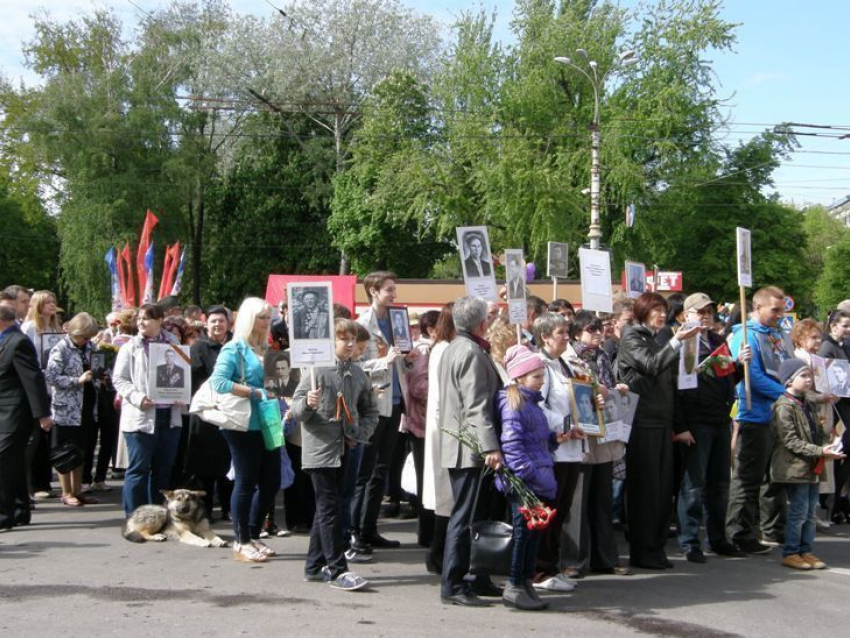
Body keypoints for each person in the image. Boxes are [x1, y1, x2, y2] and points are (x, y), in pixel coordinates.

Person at [292, 318, 379, 590]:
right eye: (344, 339)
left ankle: (314, 565)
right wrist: (308, 402)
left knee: (332, 508)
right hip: (321, 450)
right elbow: (295, 411)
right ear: (332, 342)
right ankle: (338, 568)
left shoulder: (358, 373)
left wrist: (359, 433)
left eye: (353, 339)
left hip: (347, 449)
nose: (350, 344)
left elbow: (370, 410)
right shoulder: (315, 371)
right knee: (330, 508)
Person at [617, 292, 701, 569]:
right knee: (646, 490)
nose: (661, 314)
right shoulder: (632, 336)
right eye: (655, 310)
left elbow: (669, 386)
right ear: (642, 311)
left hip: (661, 422)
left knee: (663, 490)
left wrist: (678, 425)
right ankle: (643, 550)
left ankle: (655, 547)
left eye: (663, 310)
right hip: (643, 423)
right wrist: (678, 340)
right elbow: (651, 366)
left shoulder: (655, 338)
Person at [674, 293, 750, 563]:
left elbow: (726, 376)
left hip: (720, 419)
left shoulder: (718, 341)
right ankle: (689, 540)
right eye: (700, 311)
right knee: (694, 485)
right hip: (697, 421)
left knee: (720, 483)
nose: (706, 316)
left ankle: (717, 538)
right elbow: (676, 389)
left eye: (709, 311)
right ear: (686, 315)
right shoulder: (684, 343)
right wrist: (681, 426)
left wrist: (739, 365)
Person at [438, 297, 503, 607]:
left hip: (462, 442)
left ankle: (475, 576)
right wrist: (490, 445)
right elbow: (476, 404)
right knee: (465, 516)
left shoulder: (455, 347)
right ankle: (454, 582)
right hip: (469, 446)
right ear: (481, 323)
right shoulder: (470, 352)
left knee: (472, 514)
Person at [209, 297, 281, 562]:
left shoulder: (265, 347)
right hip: (242, 423)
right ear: (250, 318)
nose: (267, 321)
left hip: (268, 420)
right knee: (246, 479)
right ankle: (241, 540)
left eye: (269, 317)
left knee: (272, 480)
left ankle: (252, 533)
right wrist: (254, 392)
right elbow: (218, 382)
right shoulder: (234, 348)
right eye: (262, 317)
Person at [497, 345, 567, 611]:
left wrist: (553, 440)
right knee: (523, 535)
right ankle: (515, 584)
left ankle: (525, 582)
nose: (541, 381)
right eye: (536, 376)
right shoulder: (514, 404)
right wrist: (530, 475)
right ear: (520, 378)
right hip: (526, 482)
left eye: (542, 376)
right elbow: (512, 446)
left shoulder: (532, 404)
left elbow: (535, 441)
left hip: (537, 478)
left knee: (533, 534)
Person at [561, 311, 631, 577]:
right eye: (592, 330)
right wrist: (596, 388)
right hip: (581, 432)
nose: (598, 334)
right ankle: (574, 560)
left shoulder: (602, 356)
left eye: (600, 329)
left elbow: (606, 386)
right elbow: (572, 389)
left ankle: (605, 557)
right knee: (577, 502)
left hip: (603, 433)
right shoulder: (569, 358)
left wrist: (615, 389)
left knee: (602, 498)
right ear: (577, 332)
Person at [351, 271, 416, 552]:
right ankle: (353, 531)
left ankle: (369, 528)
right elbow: (354, 369)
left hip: (394, 402)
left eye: (394, 289)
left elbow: (399, 363)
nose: (394, 295)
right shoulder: (361, 325)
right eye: (389, 290)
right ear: (374, 291)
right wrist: (383, 362)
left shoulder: (396, 321)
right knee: (363, 471)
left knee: (381, 469)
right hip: (372, 405)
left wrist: (408, 360)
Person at [726, 286, 793, 553]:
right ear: (758, 308)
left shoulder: (778, 335)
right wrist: (787, 395)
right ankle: (738, 532)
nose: (779, 315)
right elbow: (751, 375)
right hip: (753, 413)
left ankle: (773, 528)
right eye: (774, 310)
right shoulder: (745, 336)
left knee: (774, 476)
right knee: (748, 477)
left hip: (777, 414)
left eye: (781, 310)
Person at [771, 359, 845, 569]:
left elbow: (818, 434)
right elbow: (791, 441)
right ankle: (791, 552)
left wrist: (830, 447)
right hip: (794, 466)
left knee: (811, 511)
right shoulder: (784, 406)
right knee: (799, 511)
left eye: (809, 376)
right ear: (788, 381)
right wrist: (820, 451)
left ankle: (806, 550)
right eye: (803, 376)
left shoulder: (809, 404)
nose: (808, 380)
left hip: (812, 466)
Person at [113, 303, 184, 517]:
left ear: (160, 320)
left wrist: (182, 394)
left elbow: (182, 373)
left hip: (168, 416)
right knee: (138, 470)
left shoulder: (174, 343)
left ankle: (156, 516)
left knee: (162, 471)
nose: (141, 322)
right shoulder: (130, 347)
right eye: (139, 319)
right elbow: (120, 379)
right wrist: (137, 397)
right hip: (141, 417)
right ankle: (135, 517)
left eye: (147, 318)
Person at [532, 312, 582, 590]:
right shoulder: (541, 365)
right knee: (549, 510)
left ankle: (552, 565)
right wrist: (566, 426)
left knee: (561, 510)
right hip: (556, 449)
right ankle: (540, 571)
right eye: (561, 333)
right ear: (545, 337)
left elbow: (577, 396)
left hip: (573, 447)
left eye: (567, 332)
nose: (567, 337)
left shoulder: (565, 363)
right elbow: (538, 406)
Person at [0, 305, 53, 531]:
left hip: (15, 413)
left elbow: (33, 380)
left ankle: (4, 515)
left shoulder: (18, 342)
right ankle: (21, 510)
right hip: (4, 411)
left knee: (3, 462)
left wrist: (42, 414)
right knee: (14, 463)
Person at [44, 313, 101, 507]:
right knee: (64, 451)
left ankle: (78, 490)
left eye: (89, 337)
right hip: (66, 408)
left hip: (86, 405)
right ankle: (66, 492)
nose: (87, 341)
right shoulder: (60, 349)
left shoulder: (91, 347)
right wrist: (77, 380)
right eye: (84, 337)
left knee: (81, 449)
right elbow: (51, 377)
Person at [185, 305, 233, 521]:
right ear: (206, 323)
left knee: (228, 463)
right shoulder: (198, 349)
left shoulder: (234, 346)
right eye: (213, 321)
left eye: (221, 321)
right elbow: (191, 378)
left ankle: (228, 507)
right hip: (205, 414)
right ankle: (205, 510)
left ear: (228, 323)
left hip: (229, 412)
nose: (217, 325)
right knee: (204, 466)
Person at [400, 310, 440, 547]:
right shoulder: (424, 350)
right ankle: (427, 535)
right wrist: (444, 390)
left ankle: (431, 533)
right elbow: (418, 386)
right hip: (421, 424)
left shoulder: (437, 349)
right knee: (427, 480)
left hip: (430, 423)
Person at [422, 304, 456, 575]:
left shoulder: (442, 348)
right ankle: (438, 554)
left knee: (446, 496)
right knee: (446, 496)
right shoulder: (445, 349)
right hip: (445, 427)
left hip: (443, 426)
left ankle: (439, 553)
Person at [21, 290, 63, 500]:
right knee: (35, 438)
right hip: (39, 387)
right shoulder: (29, 328)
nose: (52, 305)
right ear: (37, 305)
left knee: (49, 439)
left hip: (55, 387)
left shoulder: (56, 328)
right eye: (47, 302)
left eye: (53, 301)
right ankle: (32, 485)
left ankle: (44, 481)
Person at [818, 309, 850, 523]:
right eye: (845, 325)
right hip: (838, 409)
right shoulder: (827, 348)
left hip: (846, 406)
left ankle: (841, 500)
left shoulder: (844, 346)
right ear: (833, 326)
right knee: (839, 455)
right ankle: (833, 503)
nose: (848, 330)